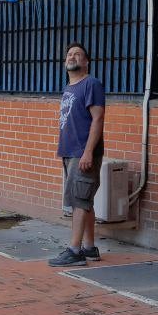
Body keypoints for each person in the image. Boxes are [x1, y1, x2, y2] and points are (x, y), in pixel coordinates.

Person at [49, 44, 106, 268]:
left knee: (79, 201)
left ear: (86, 62)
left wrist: (88, 152)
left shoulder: (91, 84)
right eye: (70, 54)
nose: (73, 57)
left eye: (78, 54)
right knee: (84, 201)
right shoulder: (69, 87)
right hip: (70, 152)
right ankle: (89, 248)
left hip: (83, 153)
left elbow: (98, 119)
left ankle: (75, 251)